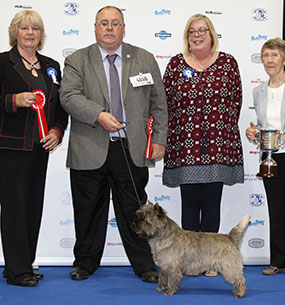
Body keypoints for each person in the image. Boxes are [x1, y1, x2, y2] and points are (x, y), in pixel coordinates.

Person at [59, 6, 168, 282]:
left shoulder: (143, 59)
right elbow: (69, 96)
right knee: (88, 211)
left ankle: (144, 264)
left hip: (130, 150)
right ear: (95, 27)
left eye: (115, 23)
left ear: (124, 28)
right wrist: (98, 115)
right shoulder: (77, 60)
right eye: (104, 23)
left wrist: (159, 139)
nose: (109, 28)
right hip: (89, 147)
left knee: (137, 211)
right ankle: (84, 262)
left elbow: (159, 104)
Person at [163, 14, 244, 277]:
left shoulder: (228, 63)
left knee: (211, 203)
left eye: (202, 30)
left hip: (218, 145)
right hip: (184, 145)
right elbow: (165, 103)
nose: (197, 35)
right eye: (192, 31)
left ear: (212, 34)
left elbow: (236, 101)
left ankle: (210, 262)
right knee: (189, 204)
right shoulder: (175, 64)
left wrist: (223, 130)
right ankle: (189, 262)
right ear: (187, 37)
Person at [0, 10, 68, 287]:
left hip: (40, 148)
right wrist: (14, 100)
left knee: (32, 207)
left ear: (41, 34)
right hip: (11, 147)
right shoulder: (3, 63)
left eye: (35, 29)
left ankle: (24, 264)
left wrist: (57, 131)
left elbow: (60, 106)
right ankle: (17, 271)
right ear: (15, 32)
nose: (30, 33)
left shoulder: (51, 66)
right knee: (14, 209)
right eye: (24, 28)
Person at [246, 38, 285, 278]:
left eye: (275, 55)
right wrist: (253, 133)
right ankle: (277, 260)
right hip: (270, 156)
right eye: (266, 55)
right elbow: (261, 126)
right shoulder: (258, 91)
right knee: (275, 209)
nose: (269, 60)